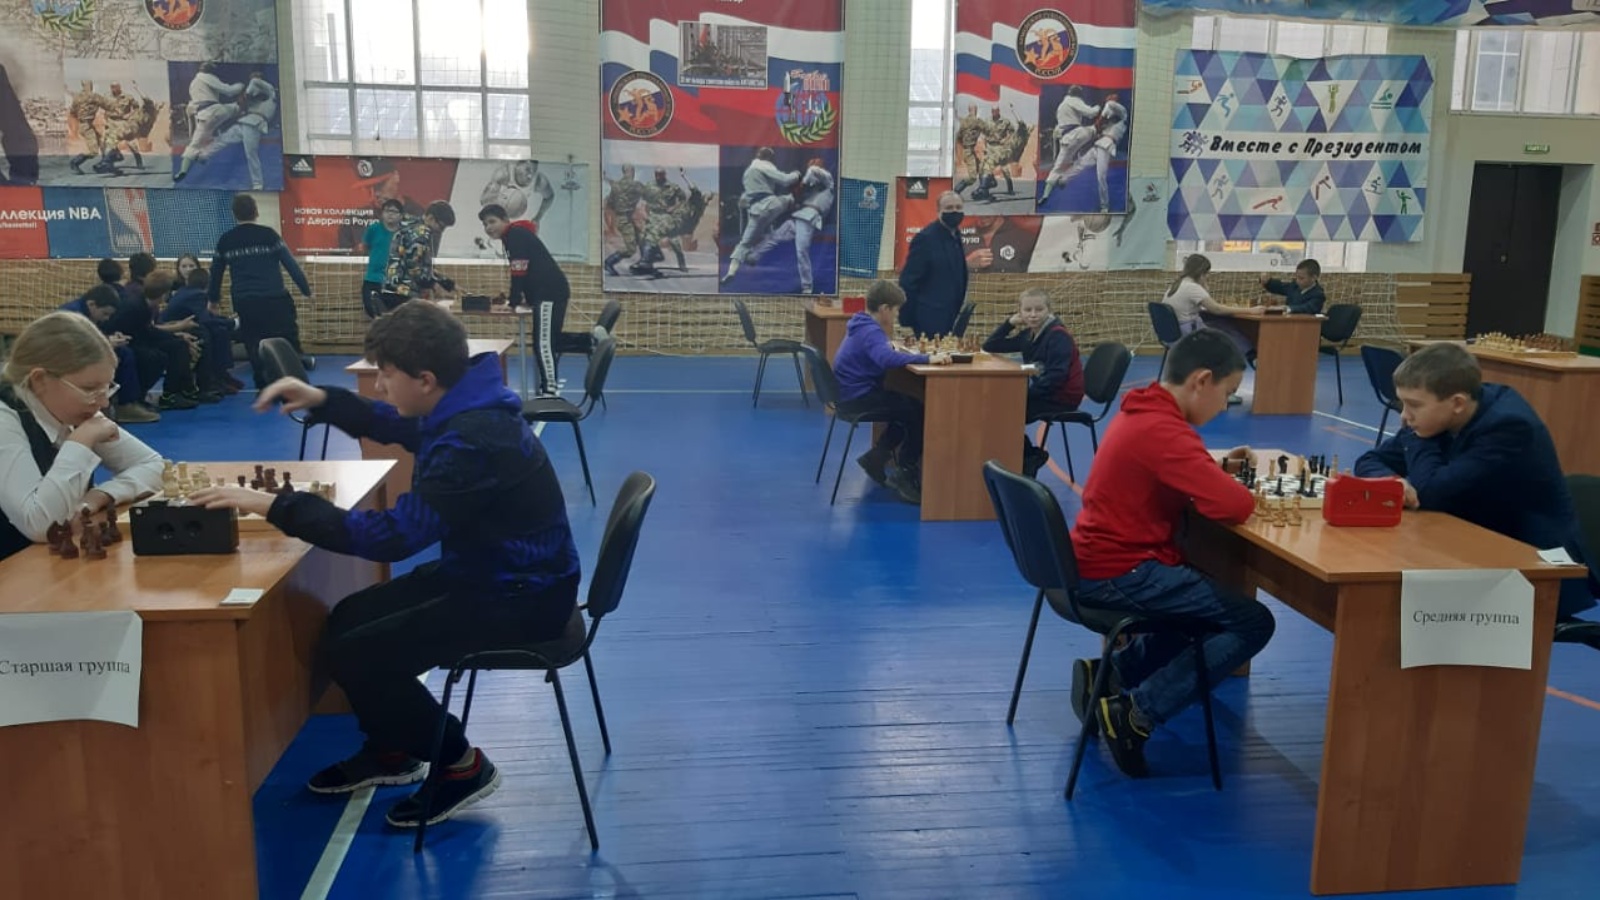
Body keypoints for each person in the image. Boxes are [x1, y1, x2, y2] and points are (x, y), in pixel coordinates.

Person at [188, 300, 582, 829]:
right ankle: (395, 747)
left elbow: (394, 537)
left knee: (360, 652)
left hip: (523, 598)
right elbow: (403, 426)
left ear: (425, 380)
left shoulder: (474, 438)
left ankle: (461, 764)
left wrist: (276, 505)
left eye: (386, 376)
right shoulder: (466, 405)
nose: (378, 386)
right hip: (490, 573)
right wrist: (325, 400)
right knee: (347, 620)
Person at [1068, 328, 1276, 777]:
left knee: (1204, 610)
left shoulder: (1145, 408)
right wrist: (1220, 478)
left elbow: (1172, 469)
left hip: (1095, 559)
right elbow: (1235, 506)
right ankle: (1134, 715)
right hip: (1121, 570)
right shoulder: (1163, 429)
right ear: (1202, 380)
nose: (1225, 406)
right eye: (1228, 393)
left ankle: (1109, 676)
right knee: (1252, 622)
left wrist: (1212, 468)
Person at [1353, 343, 1599, 622]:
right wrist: (1395, 482)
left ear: (1458, 403)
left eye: (1414, 405)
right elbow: (1369, 460)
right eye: (1403, 403)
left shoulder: (1508, 427)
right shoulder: (1443, 413)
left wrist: (1417, 438)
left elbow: (1431, 492)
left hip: (1532, 564)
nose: (1405, 416)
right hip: (1471, 542)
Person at [0, 312, 163, 562]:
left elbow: (155, 466)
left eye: (107, 387)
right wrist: (80, 442)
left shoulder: (70, 407)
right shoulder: (5, 418)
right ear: (39, 380)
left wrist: (100, 496)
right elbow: (41, 525)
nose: (103, 402)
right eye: (89, 389)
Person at [832, 280, 952, 504]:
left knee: (906, 407)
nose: (897, 315)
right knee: (917, 411)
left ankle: (877, 457)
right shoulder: (871, 331)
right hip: (858, 398)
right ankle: (905, 472)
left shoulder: (861, 323)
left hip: (848, 394)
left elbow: (880, 353)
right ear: (885, 309)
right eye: (896, 310)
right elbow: (885, 359)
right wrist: (927, 358)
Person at [209, 193, 314, 388]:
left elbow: (215, 273)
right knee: (286, 338)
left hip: (245, 300)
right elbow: (291, 265)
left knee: (253, 342)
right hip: (274, 297)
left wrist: (213, 300)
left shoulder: (226, 240)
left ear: (234, 214)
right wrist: (306, 290)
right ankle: (293, 382)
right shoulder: (269, 235)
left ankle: (263, 384)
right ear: (256, 212)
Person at [983, 288, 1085, 477]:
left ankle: (1030, 457)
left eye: (1039, 309)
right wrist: (1009, 323)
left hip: (1061, 397)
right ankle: (1027, 455)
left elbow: (1056, 378)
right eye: (1027, 310)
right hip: (1045, 393)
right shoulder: (1028, 335)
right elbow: (990, 345)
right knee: (997, 410)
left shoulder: (1058, 336)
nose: (1033, 315)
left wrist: (1023, 395)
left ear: (1049, 310)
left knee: (1004, 414)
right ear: (1020, 312)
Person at [479, 203, 570, 397]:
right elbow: (525, 269)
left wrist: (513, 302)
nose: (489, 227)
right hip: (544, 293)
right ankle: (549, 385)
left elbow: (519, 271)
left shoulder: (516, 235)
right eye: (485, 224)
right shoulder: (512, 236)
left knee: (543, 342)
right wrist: (522, 298)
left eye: (492, 222)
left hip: (549, 293)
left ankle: (550, 390)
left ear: (505, 220)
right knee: (545, 339)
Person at [57, 284, 158, 423]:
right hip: (67, 357)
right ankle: (125, 405)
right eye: (105, 314)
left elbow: (90, 336)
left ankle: (127, 401)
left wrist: (110, 337)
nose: (106, 318)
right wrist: (107, 343)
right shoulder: (71, 316)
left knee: (125, 352)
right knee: (123, 354)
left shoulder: (85, 311)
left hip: (78, 352)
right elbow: (73, 346)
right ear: (92, 304)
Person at [111, 270, 211, 409]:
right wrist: (175, 333)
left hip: (138, 338)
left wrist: (177, 336)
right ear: (164, 294)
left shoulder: (144, 304)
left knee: (179, 345)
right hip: (129, 342)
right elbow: (145, 333)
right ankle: (142, 396)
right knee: (156, 357)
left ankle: (176, 391)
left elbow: (148, 331)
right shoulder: (137, 306)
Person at [898, 191, 970, 337]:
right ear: (938, 211)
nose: (954, 211)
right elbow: (908, 281)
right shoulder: (926, 239)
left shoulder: (956, 236)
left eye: (958, 207)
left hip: (951, 315)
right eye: (949, 208)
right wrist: (907, 319)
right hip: (927, 318)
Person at [164, 266, 242, 394]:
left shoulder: (186, 292)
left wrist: (228, 321)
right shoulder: (197, 295)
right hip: (174, 330)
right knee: (209, 333)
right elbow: (206, 320)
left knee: (219, 331)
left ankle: (220, 374)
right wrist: (233, 323)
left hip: (178, 327)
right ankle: (207, 382)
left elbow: (206, 316)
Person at [381, 201, 457, 308]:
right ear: (431, 218)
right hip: (404, 294)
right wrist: (434, 285)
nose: (441, 231)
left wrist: (449, 284)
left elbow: (422, 266)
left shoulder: (410, 225)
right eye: (441, 227)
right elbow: (414, 268)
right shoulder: (421, 233)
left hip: (391, 289)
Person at [361, 199, 403, 318]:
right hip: (372, 279)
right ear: (382, 213)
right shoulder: (373, 229)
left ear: (401, 216)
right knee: (372, 312)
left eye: (394, 211)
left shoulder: (404, 233)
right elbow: (365, 247)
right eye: (387, 211)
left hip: (395, 282)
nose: (390, 214)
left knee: (396, 316)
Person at [1259, 259, 1326, 315]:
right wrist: (1268, 282)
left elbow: (1307, 308)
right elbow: (1281, 287)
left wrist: (1286, 308)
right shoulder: (1295, 286)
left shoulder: (1318, 294)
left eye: (1301, 278)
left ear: (1314, 278)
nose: (1297, 280)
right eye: (1296, 277)